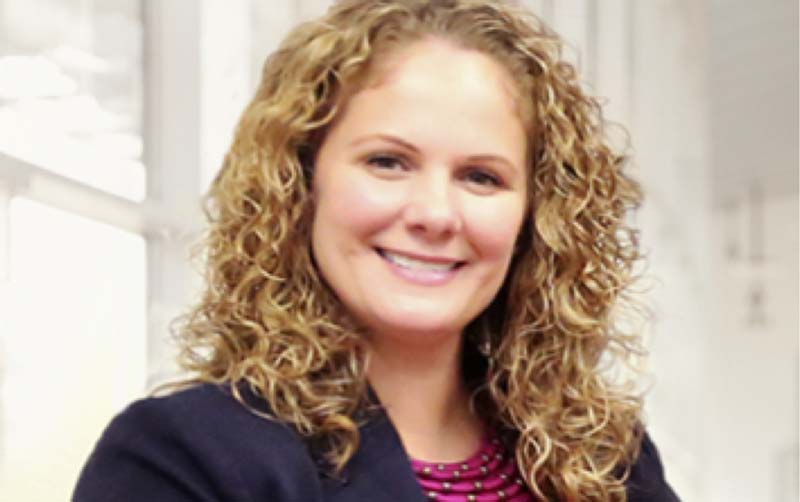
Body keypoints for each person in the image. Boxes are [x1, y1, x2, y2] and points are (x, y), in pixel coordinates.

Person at [73, 1, 679, 501]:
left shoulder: (608, 461)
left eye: (481, 177)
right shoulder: (180, 458)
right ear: (302, 184)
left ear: (534, 217)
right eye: (387, 162)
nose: (435, 214)